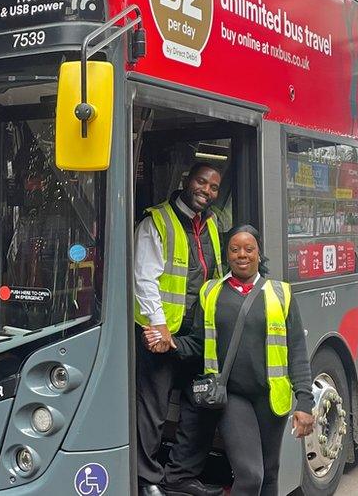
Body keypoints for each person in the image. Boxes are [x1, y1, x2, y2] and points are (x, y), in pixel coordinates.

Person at [148, 225, 315, 495]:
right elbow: (199, 343)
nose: (242, 255)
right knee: (250, 476)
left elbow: (296, 351)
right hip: (233, 398)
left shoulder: (281, 293)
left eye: (249, 249)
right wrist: (172, 343)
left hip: (272, 398)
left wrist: (305, 401)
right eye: (235, 249)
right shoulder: (210, 292)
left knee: (269, 474)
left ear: (259, 253)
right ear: (227, 254)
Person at [133, 163, 226, 496]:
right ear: (187, 180)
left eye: (215, 187)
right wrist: (157, 326)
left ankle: (180, 475)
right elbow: (143, 278)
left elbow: (215, 274)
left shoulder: (213, 224)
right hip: (162, 334)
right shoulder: (156, 221)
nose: (207, 190)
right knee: (153, 410)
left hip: (197, 337)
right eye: (202, 182)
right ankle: (145, 479)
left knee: (200, 404)